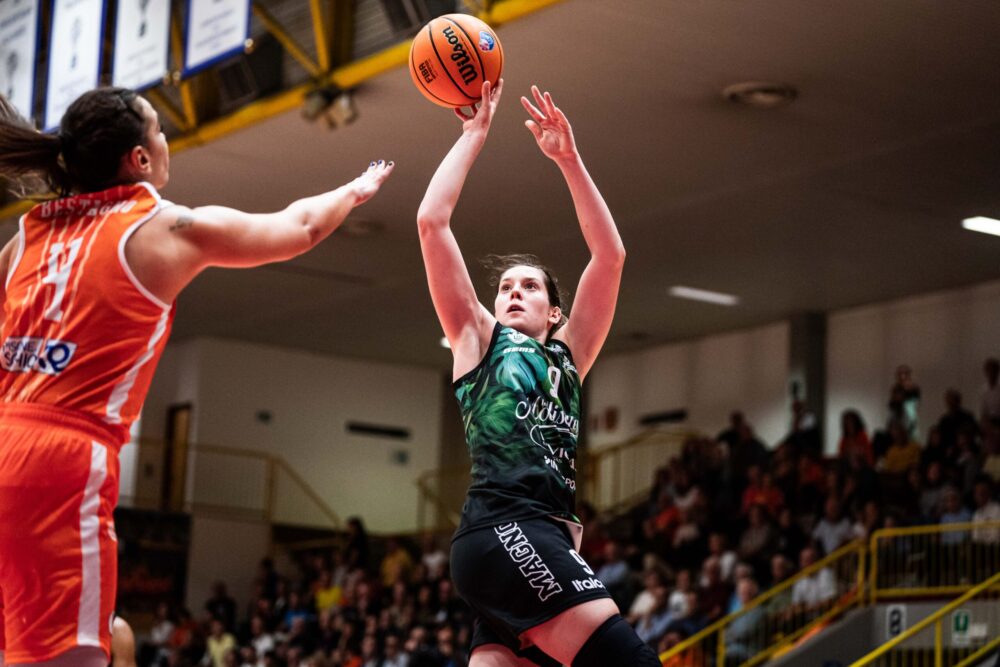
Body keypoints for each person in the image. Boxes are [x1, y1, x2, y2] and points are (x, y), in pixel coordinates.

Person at [0, 87, 394, 667]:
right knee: (72, 656)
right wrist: (354, 190)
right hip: (63, 462)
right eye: (158, 129)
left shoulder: (24, 239)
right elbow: (300, 227)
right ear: (138, 158)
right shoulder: (164, 228)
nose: (165, 140)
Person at [416, 79, 655, 666]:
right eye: (504, 287)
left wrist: (569, 161)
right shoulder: (478, 340)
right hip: (509, 531)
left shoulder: (569, 357)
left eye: (529, 286)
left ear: (556, 312)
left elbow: (610, 257)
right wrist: (474, 134)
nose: (513, 293)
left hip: (527, 548)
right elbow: (431, 222)